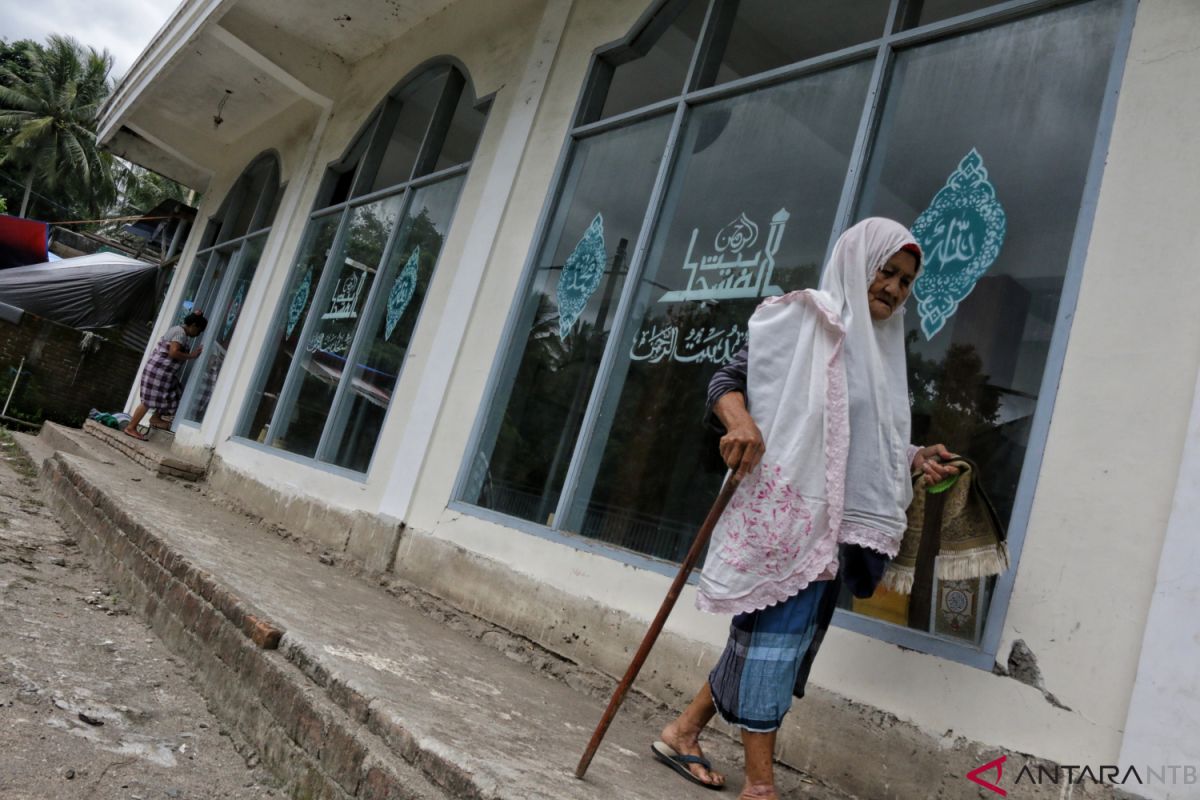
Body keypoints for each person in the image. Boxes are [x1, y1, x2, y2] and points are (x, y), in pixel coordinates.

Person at [651, 218, 958, 799]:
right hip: (790, 516)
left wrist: (914, 458)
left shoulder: (883, 354)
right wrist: (739, 421)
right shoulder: (804, 318)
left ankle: (682, 733)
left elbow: (862, 438)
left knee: (770, 639)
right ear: (855, 262)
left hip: (833, 529)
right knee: (773, 642)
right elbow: (726, 379)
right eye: (886, 271)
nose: (894, 288)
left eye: (906, 281)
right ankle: (761, 787)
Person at [123, 312, 207, 440]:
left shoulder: (177, 329)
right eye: (199, 331)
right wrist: (192, 356)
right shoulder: (180, 334)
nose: (198, 334)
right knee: (148, 401)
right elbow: (173, 352)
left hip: (163, 372)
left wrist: (197, 313)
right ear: (194, 325)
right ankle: (131, 427)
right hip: (158, 372)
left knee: (175, 393)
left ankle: (155, 418)